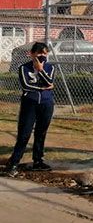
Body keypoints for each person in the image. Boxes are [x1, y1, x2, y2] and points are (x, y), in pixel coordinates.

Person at [4, 42, 55, 177]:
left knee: (41, 132)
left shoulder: (50, 67)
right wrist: (42, 88)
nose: (42, 55)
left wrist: (40, 70)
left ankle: (38, 160)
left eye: (45, 53)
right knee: (24, 134)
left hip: (46, 103)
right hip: (30, 103)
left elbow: (50, 81)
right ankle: (14, 162)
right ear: (31, 54)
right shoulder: (23, 68)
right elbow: (26, 86)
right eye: (39, 53)